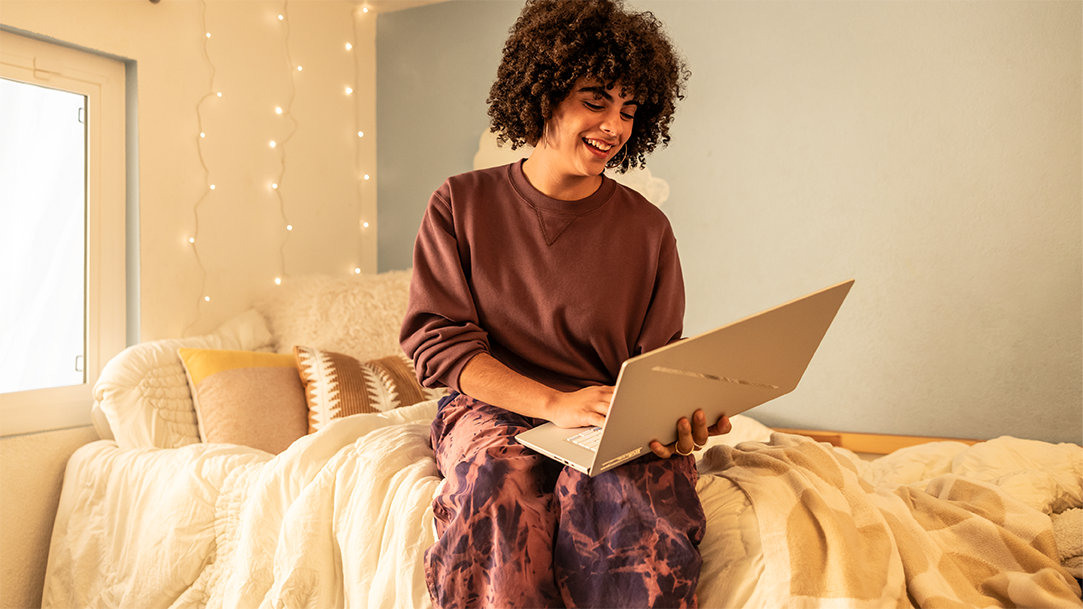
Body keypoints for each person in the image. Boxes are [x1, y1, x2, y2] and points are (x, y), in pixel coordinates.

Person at [400, 0, 731, 606]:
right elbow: (436, 343)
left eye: (630, 111)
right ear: (544, 93)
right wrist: (555, 403)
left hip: (607, 413)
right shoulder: (460, 203)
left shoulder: (649, 229)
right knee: (495, 485)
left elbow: (658, 358)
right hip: (491, 406)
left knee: (628, 501)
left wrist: (683, 414)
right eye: (596, 100)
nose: (615, 126)